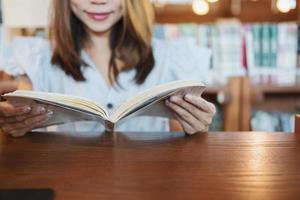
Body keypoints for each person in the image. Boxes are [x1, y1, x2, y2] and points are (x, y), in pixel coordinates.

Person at [0, 0, 215, 137]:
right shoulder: (36, 59)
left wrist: (197, 127)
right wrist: (14, 124)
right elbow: (19, 121)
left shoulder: (173, 56)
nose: (98, 1)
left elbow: (180, 142)